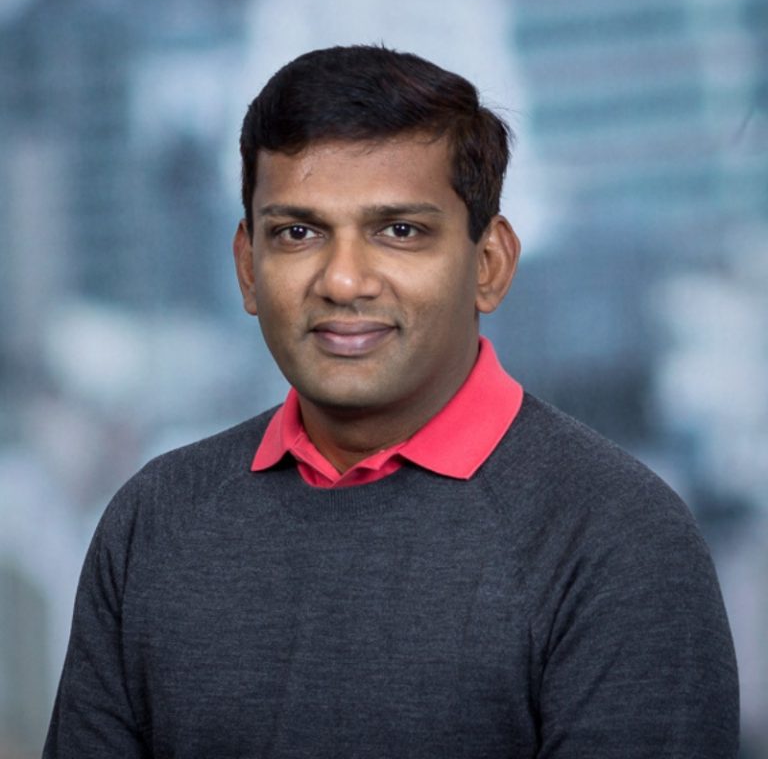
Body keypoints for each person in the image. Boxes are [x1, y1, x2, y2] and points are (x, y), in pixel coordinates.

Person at [44, 45, 739, 758]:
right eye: (298, 233)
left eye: (400, 231)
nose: (343, 281)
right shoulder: (155, 520)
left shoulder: (619, 539)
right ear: (248, 268)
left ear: (490, 265)